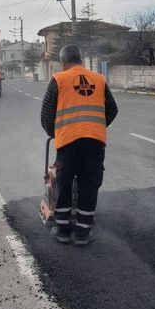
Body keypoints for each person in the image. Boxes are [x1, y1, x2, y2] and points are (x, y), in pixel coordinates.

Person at [40, 44, 118, 246]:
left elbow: (47, 114)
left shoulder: (59, 79)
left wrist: (54, 132)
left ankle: (63, 231)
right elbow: (112, 109)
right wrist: (96, 126)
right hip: (94, 142)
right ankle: (83, 233)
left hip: (68, 143)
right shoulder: (99, 79)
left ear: (63, 61)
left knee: (64, 185)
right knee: (89, 186)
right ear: (80, 60)